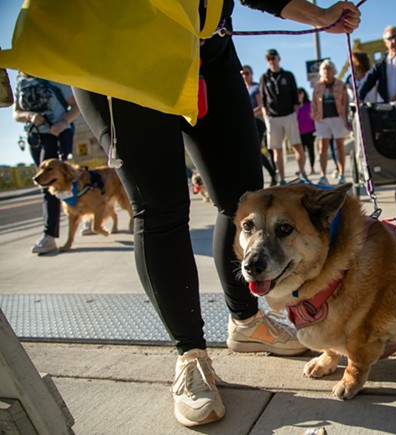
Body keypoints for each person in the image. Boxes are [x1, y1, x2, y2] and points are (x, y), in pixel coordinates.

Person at [72, 0, 360, 428]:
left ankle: (246, 322)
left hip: (208, 49)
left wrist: (316, 15)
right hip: (118, 48)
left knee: (240, 198)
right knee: (161, 208)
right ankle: (190, 355)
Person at [13, 72, 80, 254]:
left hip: (57, 133)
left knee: (58, 181)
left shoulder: (51, 74)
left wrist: (63, 122)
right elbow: (16, 113)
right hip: (35, 135)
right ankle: (56, 232)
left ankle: (50, 236)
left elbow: (76, 106)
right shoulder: (21, 82)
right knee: (46, 183)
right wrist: (29, 116)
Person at [260, 48, 308, 185]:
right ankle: (281, 178)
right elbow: (263, 101)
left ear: (278, 58)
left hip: (289, 115)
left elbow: (295, 98)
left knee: (297, 145)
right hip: (272, 117)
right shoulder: (264, 78)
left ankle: (302, 173)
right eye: (269, 59)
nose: (271, 61)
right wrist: (266, 119)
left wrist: (295, 115)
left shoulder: (288, 75)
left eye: (273, 58)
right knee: (277, 149)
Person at [311, 59, 350, 185]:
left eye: (329, 69)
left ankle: (342, 173)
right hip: (322, 119)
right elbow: (314, 103)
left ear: (334, 71)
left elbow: (345, 102)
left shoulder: (340, 84)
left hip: (338, 117)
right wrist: (315, 116)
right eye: (324, 69)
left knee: (340, 146)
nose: (326, 71)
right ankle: (323, 176)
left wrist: (345, 117)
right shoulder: (317, 86)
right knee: (323, 147)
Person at [241, 64, 277, 186]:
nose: (245, 76)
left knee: (256, 150)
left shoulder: (256, 88)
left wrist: (250, 113)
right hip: (246, 123)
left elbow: (262, 106)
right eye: (242, 74)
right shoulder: (241, 89)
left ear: (251, 74)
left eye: (247, 73)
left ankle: (272, 173)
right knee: (248, 151)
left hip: (258, 121)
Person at [297, 87, 316, 175]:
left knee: (310, 150)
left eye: (301, 93)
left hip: (310, 130)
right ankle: (302, 169)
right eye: (298, 93)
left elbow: (313, 115)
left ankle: (312, 168)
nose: (299, 95)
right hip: (299, 131)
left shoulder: (309, 104)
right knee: (301, 151)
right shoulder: (295, 106)